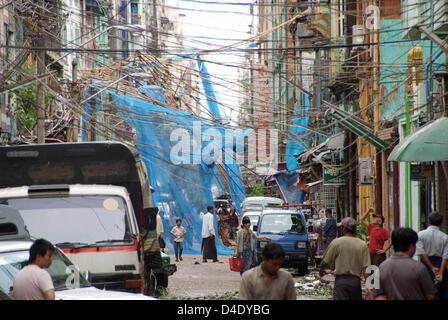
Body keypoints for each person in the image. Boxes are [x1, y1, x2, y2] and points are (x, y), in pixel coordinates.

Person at [373, 227, 438, 300]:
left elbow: (378, 295)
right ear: (411, 246)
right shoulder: (419, 268)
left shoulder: (382, 267)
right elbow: (431, 296)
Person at [319, 217, 370, 300]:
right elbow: (366, 269)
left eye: (341, 227)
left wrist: (321, 271)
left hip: (341, 282)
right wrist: (369, 288)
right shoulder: (362, 245)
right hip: (355, 283)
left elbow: (324, 262)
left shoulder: (337, 242)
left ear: (344, 228)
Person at [416, 211, 448, 300]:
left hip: (426, 265)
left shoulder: (420, 235)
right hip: (440, 264)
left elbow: (422, 253)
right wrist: (441, 273)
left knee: (426, 292)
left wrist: (431, 267)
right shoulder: (445, 237)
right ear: (441, 223)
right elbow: (445, 257)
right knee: (441, 292)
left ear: (428, 221)